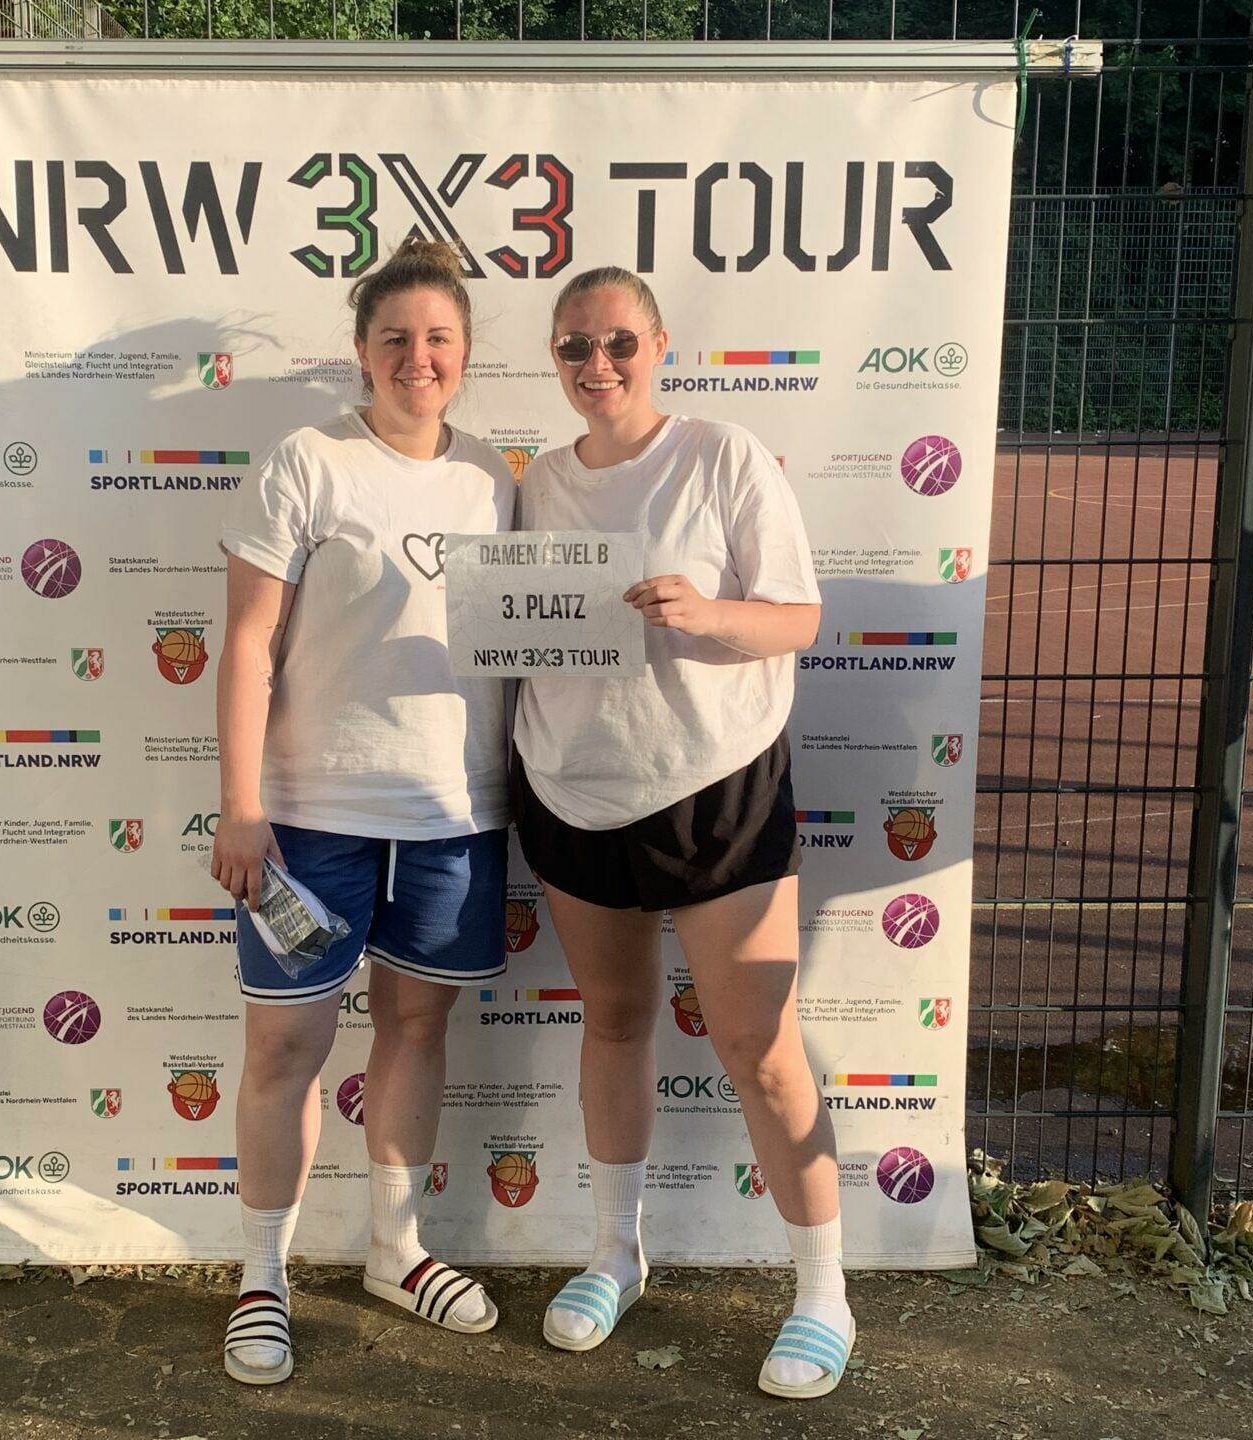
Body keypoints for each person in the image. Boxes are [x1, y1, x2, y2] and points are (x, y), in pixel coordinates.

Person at [511, 266, 850, 1399]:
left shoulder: (723, 455)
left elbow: (799, 617)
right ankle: (616, 1252)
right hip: (573, 790)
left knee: (760, 1046)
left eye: (618, 341)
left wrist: (705, 615)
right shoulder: (535, 483)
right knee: (613, 1022)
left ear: (660, 345)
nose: (597, 364)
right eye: (574, 346)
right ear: (554, 359)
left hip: (716, 787)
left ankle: (823, 1291)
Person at [210, 238, 515, 1385]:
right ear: (361, 349)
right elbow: (248, 645)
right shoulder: (307, 461)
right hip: (309, 818)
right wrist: (240, 804)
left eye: (438, 338)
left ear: (465, 352)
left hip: (452, 815)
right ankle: (263, 1277)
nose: (417, 357)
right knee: (285, 1046)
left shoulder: (498, 479)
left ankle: (396, 1249)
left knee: (416, 1029)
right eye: (395, 338)